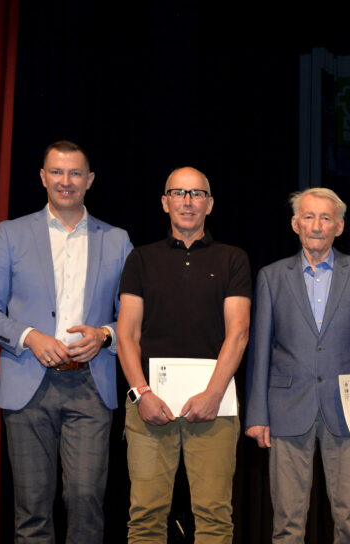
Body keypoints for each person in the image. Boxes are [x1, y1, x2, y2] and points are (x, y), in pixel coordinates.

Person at [0, 140, 132, 543]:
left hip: (91, 387)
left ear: (89, 180)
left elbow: (134, 316)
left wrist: (105, 335)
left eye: (75, 173)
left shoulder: (116, 240)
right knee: (31, 511)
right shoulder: (12, 234)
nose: (65, 181)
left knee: (86, 502)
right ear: (43, 177)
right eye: (57, 172)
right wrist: (29, 336)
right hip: (27, 385)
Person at [244, 188, 350, 543]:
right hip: (286, 409)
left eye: (325, 218)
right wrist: (257, 414)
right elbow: (260, 351)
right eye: (309, 217)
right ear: (295, 224)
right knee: (287, 524)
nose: (316, 225)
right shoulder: (271, 277)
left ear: (339, 226)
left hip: (349, 411)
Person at [116, 167, 252, 543]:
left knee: (214, 516)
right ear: (165, 202)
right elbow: (126, 334)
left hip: (214, 406)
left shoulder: (232, 259)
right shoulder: (140, 259)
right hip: (149, 405)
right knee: (145, 516)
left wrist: (213, 394)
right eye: (178, 193)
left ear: (210, 204)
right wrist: (141, 394)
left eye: (197, 194)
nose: (187, 202)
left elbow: (238, 333)